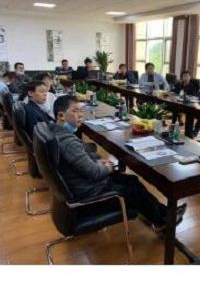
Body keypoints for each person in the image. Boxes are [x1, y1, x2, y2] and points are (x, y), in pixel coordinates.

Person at [50, 94, 186, 230]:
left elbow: (84, 153)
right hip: (91, 195)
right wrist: (106, 167)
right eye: (75, 111)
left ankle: (164, 213)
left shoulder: (57, 133)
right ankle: (162, 221)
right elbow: (95, 173)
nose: (80, 115)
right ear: (61, 115)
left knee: (132, 180)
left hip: (86, 184)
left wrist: (98, 160)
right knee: (135, 191)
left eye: (81, 110)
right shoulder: (68, 143)